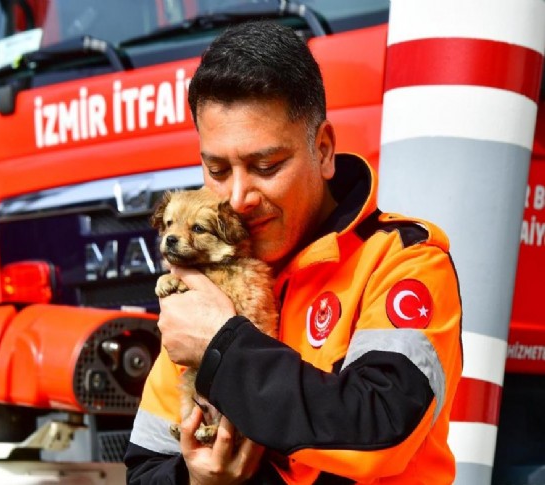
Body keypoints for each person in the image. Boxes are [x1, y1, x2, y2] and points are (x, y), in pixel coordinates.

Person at [124, 20, 463, 484]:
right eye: (217, 170)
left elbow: (381, 428)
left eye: (265, 166)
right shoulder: (203, 289)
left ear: (323, 151)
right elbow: (146, 467)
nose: (238, 197)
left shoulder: (403, 261)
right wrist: (197, 480)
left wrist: (223, 349)